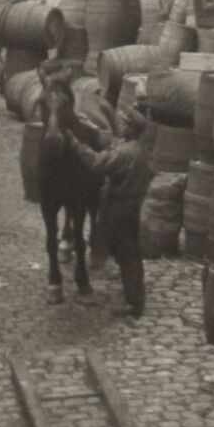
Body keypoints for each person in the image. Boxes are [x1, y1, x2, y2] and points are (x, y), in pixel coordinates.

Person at [91, 110, 151, 318]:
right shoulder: (139, 148)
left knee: (127, 255)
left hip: (119, 209)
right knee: (130, 251)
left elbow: (98, 165)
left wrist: (83, 148)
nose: (121, 126)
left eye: (124, 124)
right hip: (131, 207)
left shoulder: (124, 152)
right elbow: (117, 146)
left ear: (132, 128)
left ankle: (134, 303)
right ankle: (135, 297)